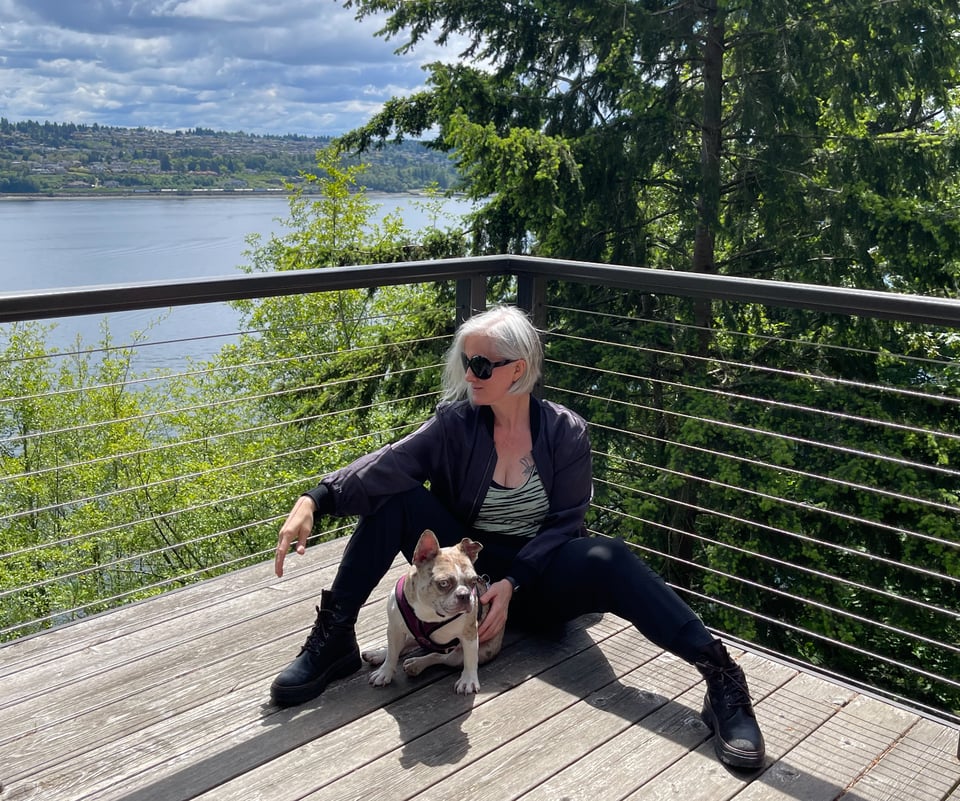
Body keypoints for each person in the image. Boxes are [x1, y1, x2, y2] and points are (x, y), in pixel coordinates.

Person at [272, 305, 765, 769]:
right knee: (396, 497)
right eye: (467, 362)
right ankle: (334, 638)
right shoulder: (455, 425)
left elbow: (567, 521)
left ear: (518, 369)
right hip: (469, 574)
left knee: (607, 555)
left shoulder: (564, 432)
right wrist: (317, 498)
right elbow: (388, 464)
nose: (470, 375)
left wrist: (512, 584)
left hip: (537, 580)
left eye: (483, 366)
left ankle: (722, 676)